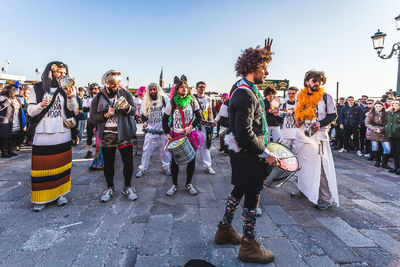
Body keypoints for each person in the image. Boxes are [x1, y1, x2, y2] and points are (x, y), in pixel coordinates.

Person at [214, 38, 278, 264]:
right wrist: (265, 154)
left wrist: (264, 55)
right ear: (253, 69)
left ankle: (224, 230)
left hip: (243, 155)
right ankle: (249, 245)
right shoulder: (245, 94)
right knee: (252, 195)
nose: (267, 72)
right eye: (263, 68)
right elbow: (244, 133)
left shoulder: (242, 86)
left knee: (238, 189)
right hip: (249, 155)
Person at [27, 61, 77, 212]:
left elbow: (72, 109)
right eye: (58, 72)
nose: (61, 75)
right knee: (41, 166)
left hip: (62, 131)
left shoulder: (66, 87)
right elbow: (30, 111)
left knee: (61, 164)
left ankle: (60, 194)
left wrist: (71, 97)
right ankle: (41, 198)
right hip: (43, 131)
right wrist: (41, 104)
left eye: (64, 72)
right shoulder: (37, 88)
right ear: (50, 72)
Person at [291, 70, 339, 210]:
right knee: (302, 164)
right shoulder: (300, 98)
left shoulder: (326, 97)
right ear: (307, 82)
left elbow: (333, 116)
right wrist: (298, 121)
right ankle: (303, 189)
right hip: (302, 136)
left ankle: (325, 197)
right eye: (314, 80)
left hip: (319, 137)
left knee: (322, 166)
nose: (317, 83)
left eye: (319, 81)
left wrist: (320, 123)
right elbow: (296, 114)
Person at [90, 70, 138, 202]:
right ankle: (110, 187)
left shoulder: (126, 93)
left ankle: (127, 187)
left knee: (128, 162)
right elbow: (92, 118)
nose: (115, 85)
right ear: (106, 83)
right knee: (109, 163)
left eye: (117, 82)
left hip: (125, 133)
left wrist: (127, 107)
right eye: (112, 82)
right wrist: (105, 115)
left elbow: (134, 111)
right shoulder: (97, 97)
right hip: (107, 135)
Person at [162, 75, 203, 196]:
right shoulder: (172, 103)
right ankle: (174, 185)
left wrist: (191, 126)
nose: (184, 88)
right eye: (181, 87)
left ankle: (188, 184)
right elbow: (164, 119)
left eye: (185, 86)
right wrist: (167, 133)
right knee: (175, 161)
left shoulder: (192, 100)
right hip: (176, 135)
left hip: (190, 135)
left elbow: (199, 117)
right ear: (177, 89)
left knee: (191, 159)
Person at [136, 83, 171, 178]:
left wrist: (169, 126)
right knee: (146, 151)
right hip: (151, 131)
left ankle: (166, 167)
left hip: (163, 131)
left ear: (157, 90)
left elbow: (170, 113)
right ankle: (143, 168)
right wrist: (145, 122)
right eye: (150, 89)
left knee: (165, 151)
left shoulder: (165, 99)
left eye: (154, 89)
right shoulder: (145, 101)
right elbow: (143, 114)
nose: (152, 91)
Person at [193, 81, 216, 175]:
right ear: (196, 88)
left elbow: (210, 111)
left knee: (206, 145)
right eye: (200, 87)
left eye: (203, 87)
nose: (202, 88)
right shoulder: (192, 98)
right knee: (193, 145)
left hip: (204, 124)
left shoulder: (208, 99)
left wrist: (212, 121)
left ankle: (207, 165)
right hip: (194, 124)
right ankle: (192, 165)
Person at [0, 84, 26, 157]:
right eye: (15, 90)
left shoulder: (16, 98)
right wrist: (6, 102)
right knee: (5, 137)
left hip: (16, 120)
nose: (17, 92)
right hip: (5, 120)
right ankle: (4, 151)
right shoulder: (2, 97)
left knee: (14, 135)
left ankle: (11, 150)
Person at [365, 101, 391, 169]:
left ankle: (384, 163)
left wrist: (381, 129)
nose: (378, 108)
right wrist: (374, 129)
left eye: (380, 106)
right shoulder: (370, 114)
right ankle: (377, 161)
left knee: (387, 149)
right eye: (377, 106)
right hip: (374, 132)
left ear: (382, 107)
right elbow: (367, 123)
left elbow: (388, 123)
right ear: (374, 107)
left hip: (383, 132)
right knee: (375, 147)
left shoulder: (387, 114)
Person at [83, 83, 100, 158]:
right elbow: (84, 109)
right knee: (89, 135)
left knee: (98, 136)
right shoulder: (87, 98)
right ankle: (89, 151)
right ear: (91, 90)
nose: (96, 90)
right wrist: (93, 109)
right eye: (94, 88)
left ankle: (98, 151)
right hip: (90, 118)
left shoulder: (101, 97)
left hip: (99, 119)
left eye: (97, 88)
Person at [279, 86, 298, 151]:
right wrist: (275, 114)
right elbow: (279, 119)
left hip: (297, 135)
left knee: (297, 155)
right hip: (286, 134)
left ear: (296, 94)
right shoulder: (283, 105)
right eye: (289, 93)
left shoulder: (300, 105)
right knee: (285, 155)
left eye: (293, 93)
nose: (291, 95)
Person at [385, 100, 400, 174]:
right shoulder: (390, 112)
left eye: (396, 103)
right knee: (394, 151)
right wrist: (386, 127)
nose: (395, 105)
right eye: (393, 103)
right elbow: (386, 121)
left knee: (398, 151)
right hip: (391, 134)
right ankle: (396, 166)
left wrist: (396, 127)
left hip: (398, 134)